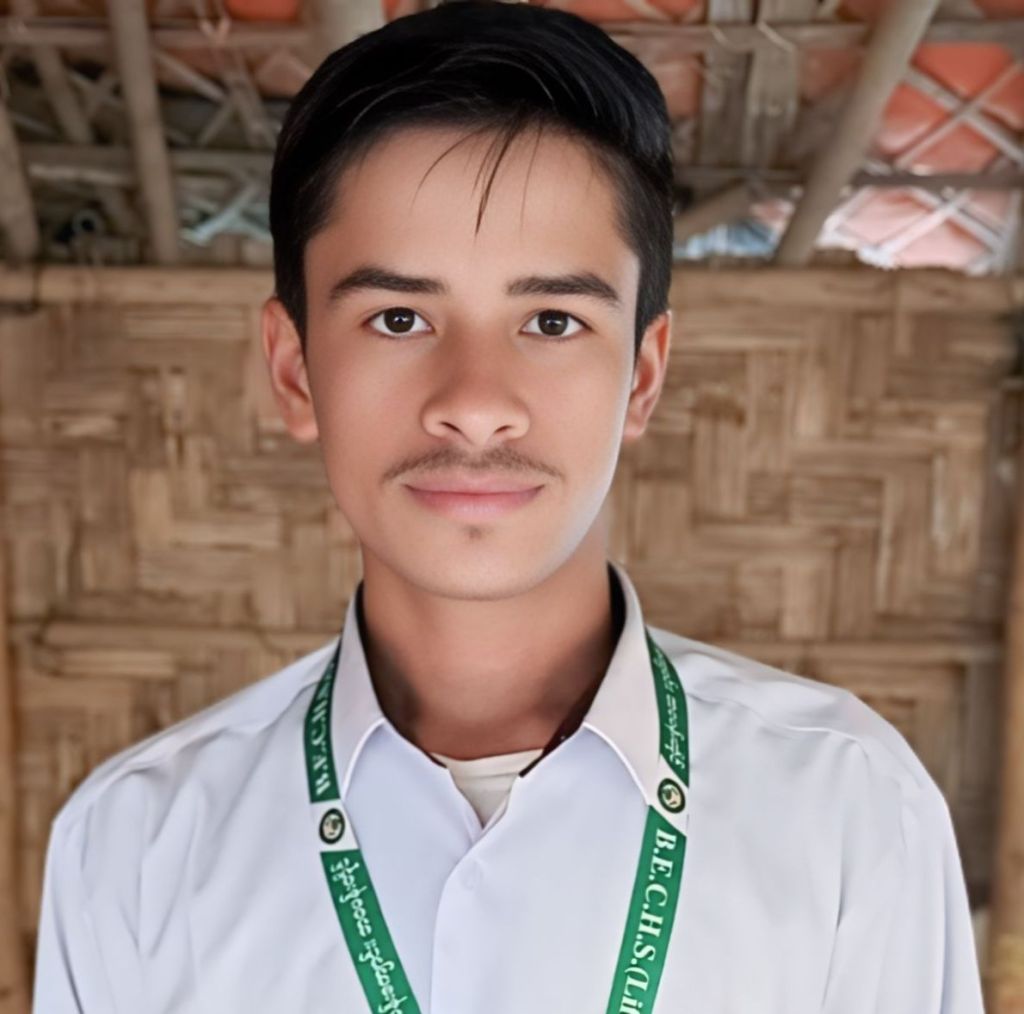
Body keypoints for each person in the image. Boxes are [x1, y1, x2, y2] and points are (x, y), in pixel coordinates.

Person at [32, 2, 986, 1011]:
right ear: (295, 370)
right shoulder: (137, 846)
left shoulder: (847, 812)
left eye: (551, 320)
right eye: (399, 317)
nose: (476, 403)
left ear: (642, 377)